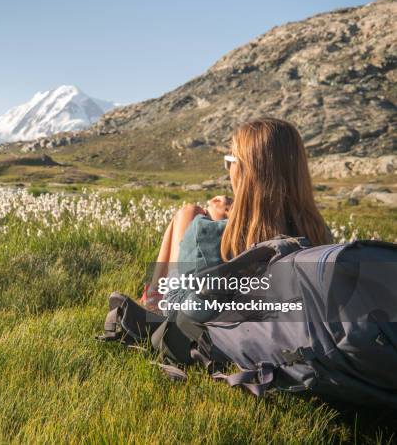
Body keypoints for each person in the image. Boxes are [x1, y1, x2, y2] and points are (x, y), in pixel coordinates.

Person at [142, 117, 331, 314]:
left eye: (230, 161)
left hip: (215, 334)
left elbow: (176, 308)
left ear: (244, 172)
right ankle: (152, 292)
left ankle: (154, 296)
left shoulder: (210, 234)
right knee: (188, 212)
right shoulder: (318, 233)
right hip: (287, 332)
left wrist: (209, 222)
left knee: (188, 213)